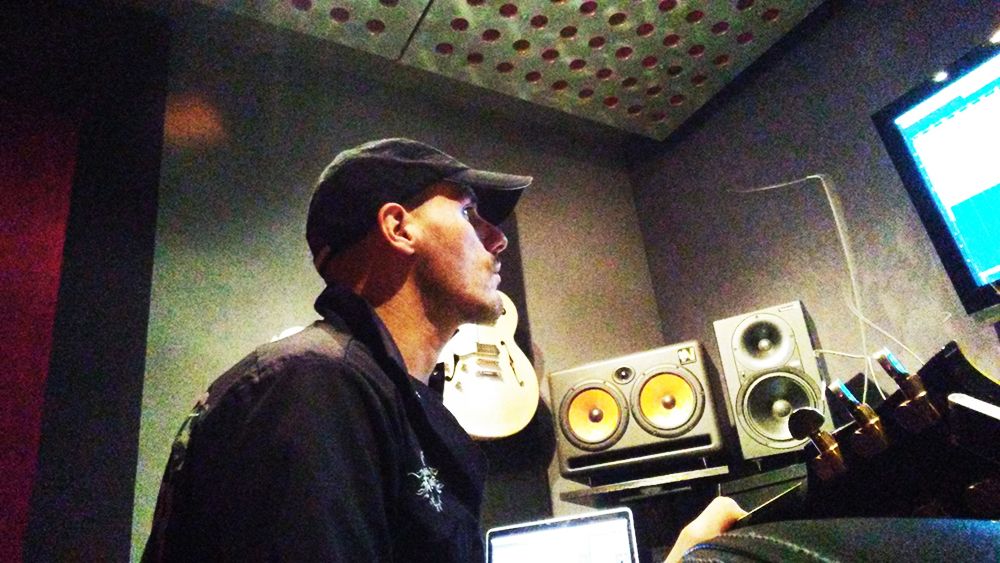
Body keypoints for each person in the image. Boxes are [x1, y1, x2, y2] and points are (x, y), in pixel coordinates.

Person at [143, 138, 745, 562]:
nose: (498, 239)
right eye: (468, 211)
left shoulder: (378, 396)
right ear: (398, 227)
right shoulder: (312, 386)